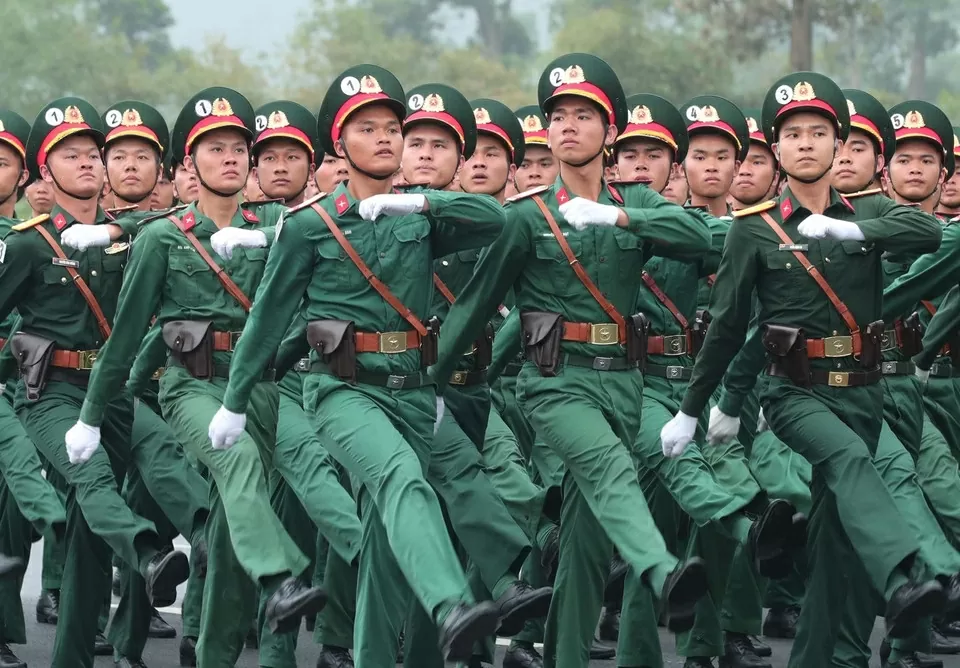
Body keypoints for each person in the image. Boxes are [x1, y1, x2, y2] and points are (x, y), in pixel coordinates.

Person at [209, 65, 507, 666]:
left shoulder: (418, 216)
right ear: (340, 144)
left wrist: (420, 198)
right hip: (341, 391)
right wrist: (235, 402)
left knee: (384, 545)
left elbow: (494, 220)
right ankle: (451, 604)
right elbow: (267, 322)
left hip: (412, 391)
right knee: (402, 479)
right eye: (366, 129)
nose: (384, 139)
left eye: (392, 128)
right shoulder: (308, 226)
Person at [659, 71, 947, 668]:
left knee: (835, 544)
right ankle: (905, 575)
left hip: (863, 390)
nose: (807, 143)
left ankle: (829, 658)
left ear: (839, 144)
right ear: (776, 147)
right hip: (794, 392)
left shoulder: (868, 213)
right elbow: (729, 328)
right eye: (793, 135)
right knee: (849, 459)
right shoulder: (754, 228)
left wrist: (855, 228)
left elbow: (928, 230)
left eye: (819, 132)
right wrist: (695, 409)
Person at [65, 87, 326, 666]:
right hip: (191, 385)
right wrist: (91, 416)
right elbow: (126, 336)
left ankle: (213, 655)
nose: (229, 158)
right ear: (189, 161)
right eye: (214, 148)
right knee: (238, 462)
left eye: (238, 148)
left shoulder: (275, 223)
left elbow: (329, 226)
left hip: (257, 389)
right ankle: (279, 577)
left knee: (229, 538)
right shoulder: (163, 236)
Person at [0, 96, 190, 668]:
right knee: (92, 477)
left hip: (113, 392)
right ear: (43, 171)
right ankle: (146, 552)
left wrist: (116, 228)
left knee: (87, 540)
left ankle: (73, 657)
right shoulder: (28, 243)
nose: (85, 163)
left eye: (91, 154)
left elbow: (166, 231)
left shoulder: (131, 235)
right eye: (69, 155)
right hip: (49, 391)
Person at [248, 99, 363, 668]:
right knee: (292, 505)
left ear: (314, 165)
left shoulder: (336, 223)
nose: (280, 167)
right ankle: (269, 650)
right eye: (268, 157)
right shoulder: (238, 225)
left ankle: (337, 640)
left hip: (331, 379)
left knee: (340, 494)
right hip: (272, 386)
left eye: (292, 156)